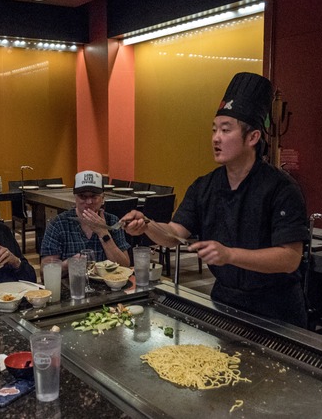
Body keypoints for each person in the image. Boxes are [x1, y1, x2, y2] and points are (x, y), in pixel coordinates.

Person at [121, 72, 309, 328]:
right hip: (224, 303)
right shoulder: (205, 186)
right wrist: (148, 224)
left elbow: (289, 258)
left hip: (276, 311)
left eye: (226, 130)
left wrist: (229, 254)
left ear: (253, 137)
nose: (216, 138)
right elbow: (175, 233)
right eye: (214, 130)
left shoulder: (281, 188)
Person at [40, 170, 131, 275]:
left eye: (94, 196)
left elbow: (125, 267)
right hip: (72, 286)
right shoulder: (58, 224)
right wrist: (67, 264)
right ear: (75, 197)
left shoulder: (113, 221)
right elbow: (44, 271)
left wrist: (103, 232)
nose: (88, 202)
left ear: (102, 198)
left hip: (107, 286)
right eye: (83, 196)